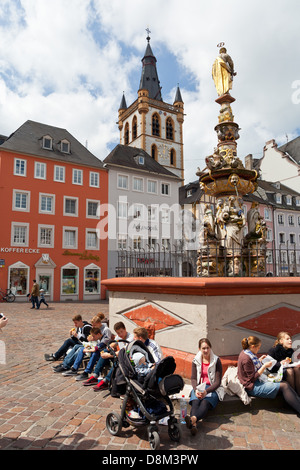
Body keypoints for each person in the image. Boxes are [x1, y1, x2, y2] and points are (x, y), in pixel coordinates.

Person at [238, 336, 300, 415]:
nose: (259, 349)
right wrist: (264, 366)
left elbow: (252, 367)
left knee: (286, 384)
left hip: (257, 381)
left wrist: (259, 360)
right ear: (253, 346)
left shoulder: (247, 353)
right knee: (284, 386)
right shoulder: (246, 358)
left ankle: (297, 404)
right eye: (258, 347)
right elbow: (252, 378)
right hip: (252, 386)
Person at [185, 338, 224, 436]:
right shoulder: (195, 360)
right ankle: (193, 425)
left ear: (210, 348)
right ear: (199, 349)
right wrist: (196, 389)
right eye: (203, 348)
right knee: (195, 402)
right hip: (199, 387)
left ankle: (192, 419)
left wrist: (206, 391)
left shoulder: (216, 360)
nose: (206, 350)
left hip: (212, 388)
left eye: (207, 348)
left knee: (205, 402)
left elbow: (218, 382)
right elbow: (193, 378)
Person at [87, 321, 134, 391]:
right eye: (118, 333)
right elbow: (113, 344)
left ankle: (106, 381)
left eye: (121, 331)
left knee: (118, 361)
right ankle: (96, 375)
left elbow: (122, 352)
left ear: (125, 329)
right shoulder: (118, 336)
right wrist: (110, 347)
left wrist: (108, 355)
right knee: (106, 351)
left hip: (127, 360)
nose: (120, 334)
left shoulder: (130, 338)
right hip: (119, 356)